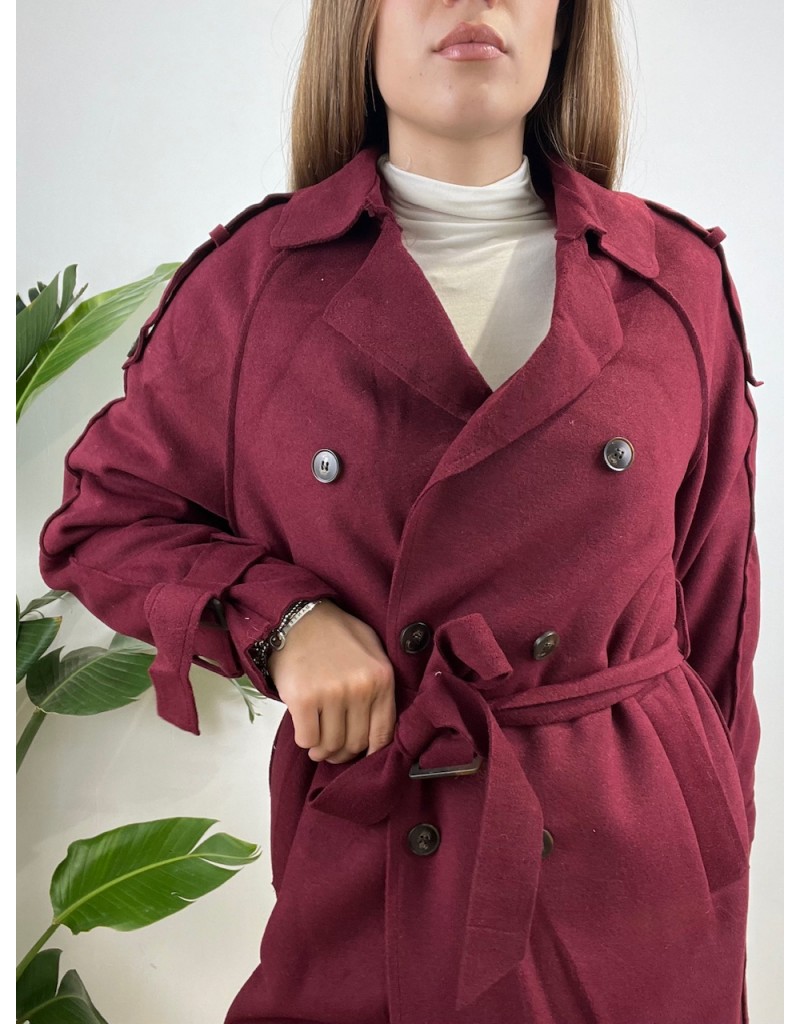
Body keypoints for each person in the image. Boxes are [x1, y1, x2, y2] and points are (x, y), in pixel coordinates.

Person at [38, 1, 763, 1021]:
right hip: (382, 861)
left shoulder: (672, 278)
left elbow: (718, 621)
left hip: (636, 883)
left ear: (564, 21)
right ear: (359, 19)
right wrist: (284, 620)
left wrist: (721, 850)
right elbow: (105, 516)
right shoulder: (256, 285)